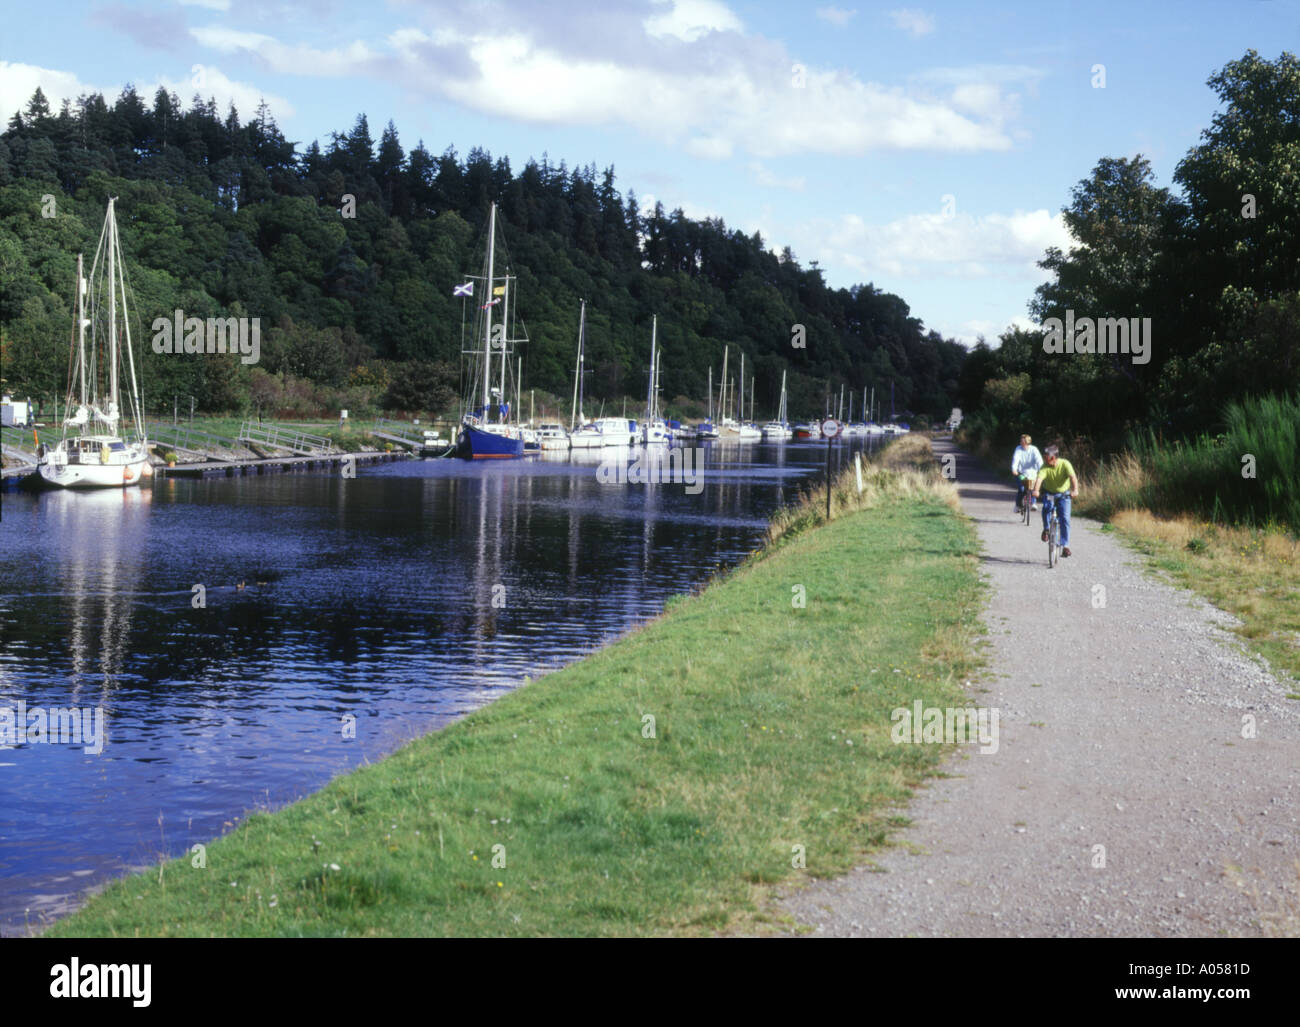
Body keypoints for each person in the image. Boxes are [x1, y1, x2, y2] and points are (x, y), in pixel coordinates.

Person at [1031, 444, 1080, 557]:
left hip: (1064, 494)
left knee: (1065, 519)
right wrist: (1036, 491)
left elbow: (1073, 478)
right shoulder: (1044, 467)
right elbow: (1039, 479)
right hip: (1049, 493)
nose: (1044, 459)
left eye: (1046, 457)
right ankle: (1047, 529)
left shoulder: (1065, 464)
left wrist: (1075, 490)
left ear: (1053, 457)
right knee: (1047, 509)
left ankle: (1065, 546)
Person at [1010, 434, 1042, 515]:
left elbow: (1039, 461)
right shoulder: (1018, 449)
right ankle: (1018, 505)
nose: (1021, 442)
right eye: (1021, 441)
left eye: (1022, 441)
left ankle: (1033, 503)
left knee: (1032, 488)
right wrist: (1014, 469)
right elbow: (1015, 460)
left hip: (1032, 473)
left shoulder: (1034, 449)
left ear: (1027, 442)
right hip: (1021, 473)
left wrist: (1041, 470)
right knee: (1021, 489)